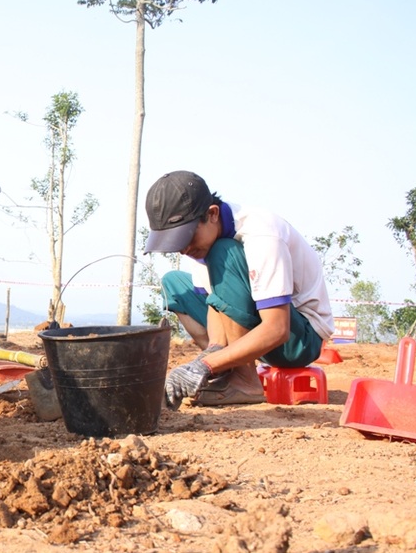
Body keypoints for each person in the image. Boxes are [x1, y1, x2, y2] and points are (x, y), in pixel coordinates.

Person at [143, 170, 334, 409]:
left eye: (187, 237)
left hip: (299, 340)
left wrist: (205, 365)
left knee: (223, 252)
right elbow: (216, 305)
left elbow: (277, 329)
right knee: (174, 283)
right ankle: (228, 368)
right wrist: (211, 352)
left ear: (212, 214)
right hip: (255, 331)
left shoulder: (261, 234)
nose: (184, 249)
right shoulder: (205, 243)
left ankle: (245, 380)